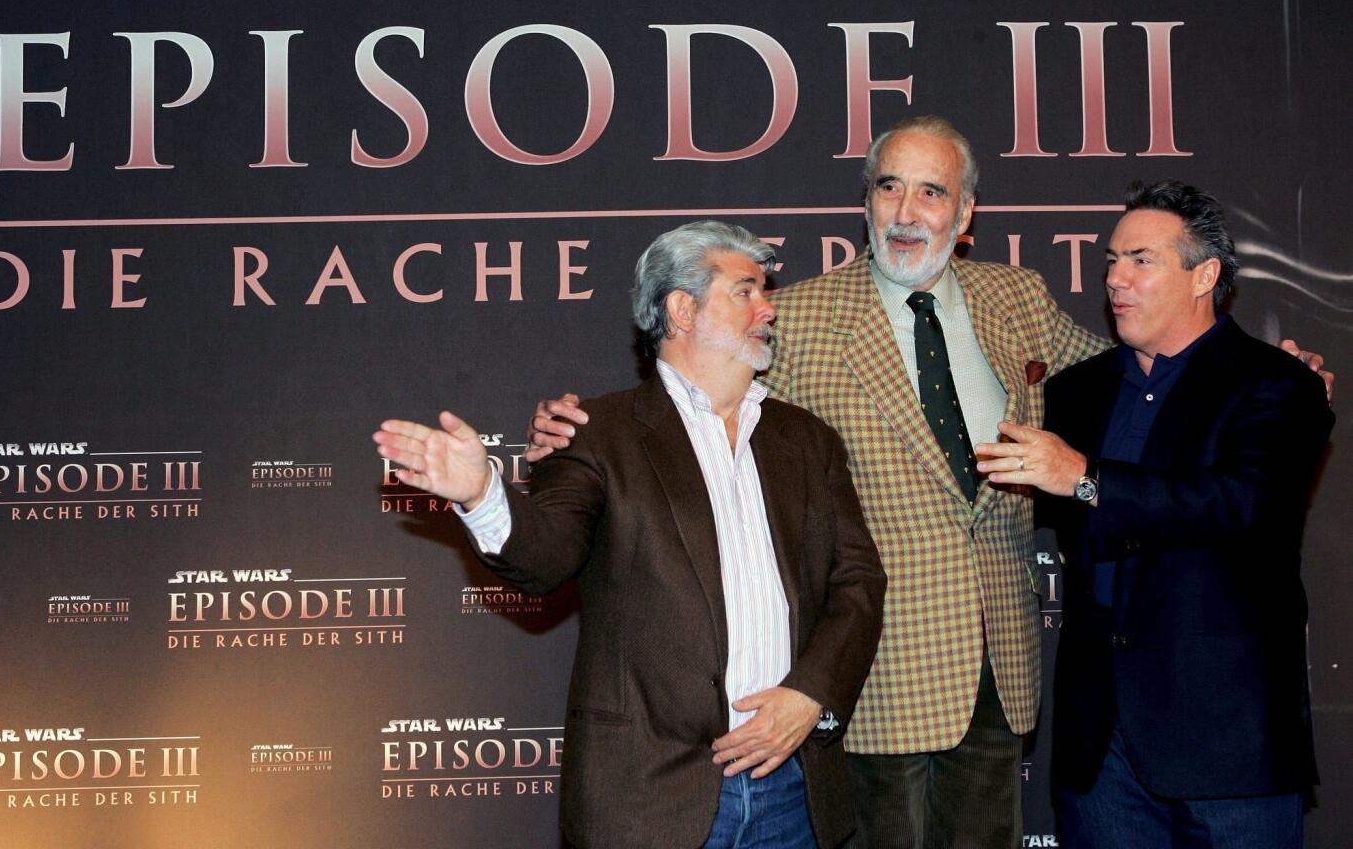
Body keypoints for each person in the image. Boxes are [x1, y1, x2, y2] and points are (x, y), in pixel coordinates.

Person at [526, 117, 1332, 848]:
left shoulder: (1014, 297)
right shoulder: (796, 317)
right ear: (866, 202)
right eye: (888, 186)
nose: (906, 210)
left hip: (999, 666)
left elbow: (1133, 372)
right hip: (874, 669)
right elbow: (694, 406)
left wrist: (1257, 373)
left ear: (966, 212)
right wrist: (579, 431)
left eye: (931, 190)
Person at [375, 221, 886, 849]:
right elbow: (547, 556)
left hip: (795, 791)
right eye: (746, 291)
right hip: (649, 797)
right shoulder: (597, 432)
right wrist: (483, 495)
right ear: (681, 309)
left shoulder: (808, 441)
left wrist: (811, 694)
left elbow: (857, 583)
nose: (768, 308)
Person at [976, 181, 1333, 849]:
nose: (1113, 277)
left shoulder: (1277, 384)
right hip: (1099, 742)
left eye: (1141, 260)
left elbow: (1244, 504)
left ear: (1204, 276)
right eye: (1111, 259)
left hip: (1228, 745)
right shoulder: (1075, 391)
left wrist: (1085, 479)